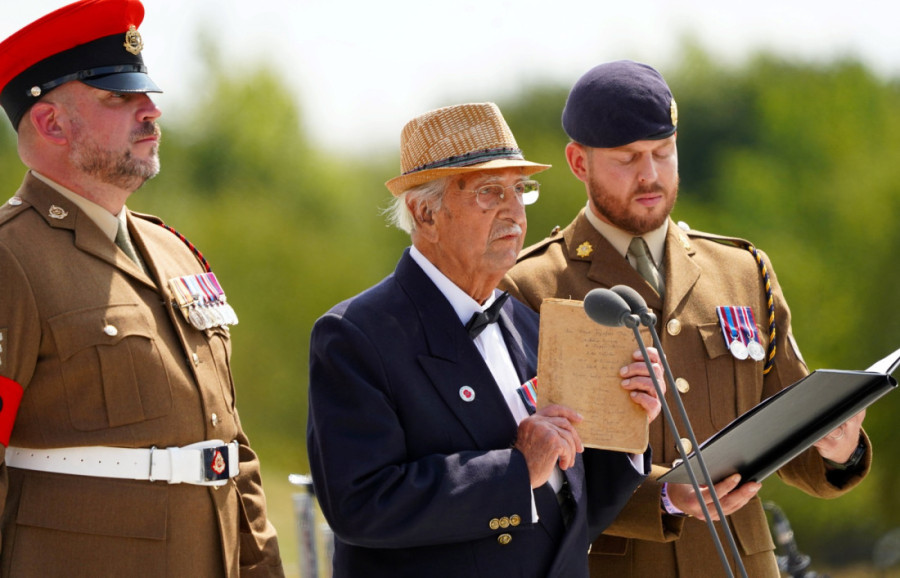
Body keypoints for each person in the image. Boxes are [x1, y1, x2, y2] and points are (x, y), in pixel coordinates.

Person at [500, 59, 871, 577]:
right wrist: (663, 497)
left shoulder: (742, 271)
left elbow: (798, 451)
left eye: (662, 152)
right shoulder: (531, 287)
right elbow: (531, 473)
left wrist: (839, 445)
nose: (650, 174)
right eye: (627, 158)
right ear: (578, 163)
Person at [306, 101, 667, 578]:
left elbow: (572, 517)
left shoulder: (528, 323)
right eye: (490, 191)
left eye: (520, 190)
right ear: (424, 213)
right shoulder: (355, 334)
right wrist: (517, 472)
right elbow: (360, 504)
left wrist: (628, 429)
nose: (514, 211)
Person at [0, 1, 284, 576]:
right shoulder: (11, 257)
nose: (151, 111)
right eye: (118, 99)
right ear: (51, 123)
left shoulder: (174, 250)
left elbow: (230, 450)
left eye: (147, 95)